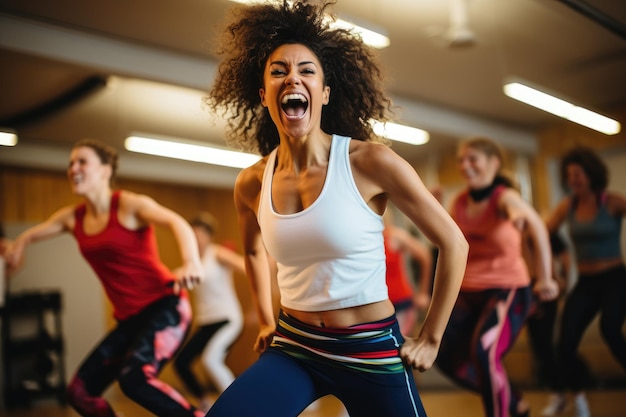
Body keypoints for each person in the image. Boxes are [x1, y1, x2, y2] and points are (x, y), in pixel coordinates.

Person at [202, 1, 469, 416]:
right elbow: (254, 250)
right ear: (263, 94)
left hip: (370, 349)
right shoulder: (253, 181)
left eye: (307, 70)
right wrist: (265, 320)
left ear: (324, 93)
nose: (293, 77)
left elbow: (454, 243)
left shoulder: (370, 163)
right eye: (278, 71)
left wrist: (432, 336)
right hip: (295, 346)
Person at [4, 138, 206, 417]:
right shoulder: (73, 218)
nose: (73, 168)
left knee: (135, 378)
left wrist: (191, 261)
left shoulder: (128, 205)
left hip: (166, 306)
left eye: (82, 161)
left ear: (105, 170)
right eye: (70, 163)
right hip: (128, 320)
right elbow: (35, 232)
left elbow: (177, 222)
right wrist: (18, 246)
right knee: (79, 393)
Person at [436, 137, 559, 417]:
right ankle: (514, 403)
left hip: (507, 289)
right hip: (468, 291)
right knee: (446, 358)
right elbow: (450, 243)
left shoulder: (505, 197)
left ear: (494, 163)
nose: (465, 165)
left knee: (484, 353)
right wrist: (434, 208)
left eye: (473, 159)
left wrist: (545, 278)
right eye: (461, 160)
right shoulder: (461, 201)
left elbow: (537, 226)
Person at [545, 145, 626, 417]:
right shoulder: (567, 205)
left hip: (615, 279)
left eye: (578, 174)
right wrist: (550, 272)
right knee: (565, 343)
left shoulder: (611, 202)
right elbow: (541, 233)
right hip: (587, 284)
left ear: (591, 175)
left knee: (611, 332)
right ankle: (579, 400)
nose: (573, 181)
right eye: (569, 176)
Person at [173, 212, 246, 412]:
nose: (197, 239)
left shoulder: (218, 253)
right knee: (182, 362)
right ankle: (205, 403)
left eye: (200, 235)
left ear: (208, 236)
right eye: (193, 235)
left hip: (227, 319)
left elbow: (245, 266)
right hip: (206, 322)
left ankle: (240, 406)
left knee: (211, 360)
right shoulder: (191, 261)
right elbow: (173, 279)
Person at [383, 209, 433, 336]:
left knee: (399, 348)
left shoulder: (393, 236)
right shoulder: (363, 242)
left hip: (401, 304)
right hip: (380, 306)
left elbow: (425, 256)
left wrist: (423, 293)